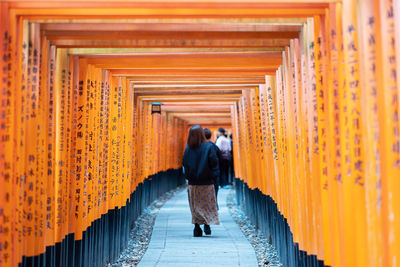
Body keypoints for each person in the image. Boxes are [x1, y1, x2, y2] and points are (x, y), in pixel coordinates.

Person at [182, 125, 220, 237]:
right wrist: (214, 177)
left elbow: (185, 163)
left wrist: (188, 177)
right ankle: (207, 224)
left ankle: (197, 227)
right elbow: (214, 163)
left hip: (193, 183)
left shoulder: (188, 148)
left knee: (195, 205)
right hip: (207, 182)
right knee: (207, 204)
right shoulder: (208, 147)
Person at [203, 128, 221, 202]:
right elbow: (219, 159)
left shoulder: (200, 147)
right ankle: (214, 203)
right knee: (214, 190)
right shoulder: (214, 146)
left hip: (204, 174)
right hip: (214, 173)